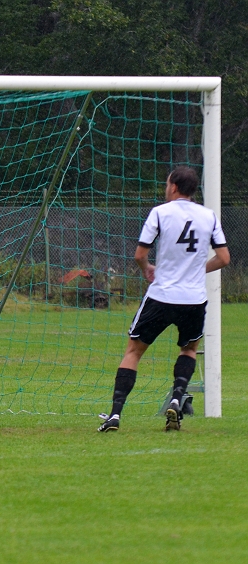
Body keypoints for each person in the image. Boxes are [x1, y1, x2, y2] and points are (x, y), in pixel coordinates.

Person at [98, 166, 229, 433]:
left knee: (133, 352)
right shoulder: (208, 216)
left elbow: (139, 254)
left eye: (167, 183)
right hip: (193, 299)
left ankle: (114, 415)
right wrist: (195, 270)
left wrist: (147, 268)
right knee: (189, 350)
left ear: (174, 187)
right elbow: (224, 258)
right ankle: (176, 399)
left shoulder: (160, 212)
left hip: (161, 296)